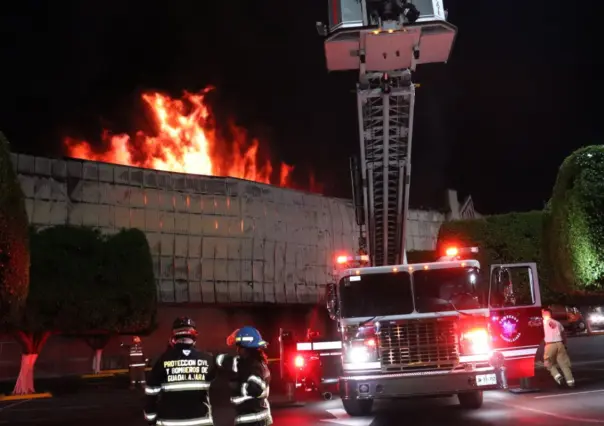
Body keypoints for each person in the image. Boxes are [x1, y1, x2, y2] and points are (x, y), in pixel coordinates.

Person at [143, 317, 216, 426]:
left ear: (174, 337)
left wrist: (150, 419)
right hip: (201, 422)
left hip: (169, 423)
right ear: (194, 336)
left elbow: (151, 392)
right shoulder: (208, 359)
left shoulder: (162, 360)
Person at [216, 326, 272, 426]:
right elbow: (222, 360)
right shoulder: (248, 363)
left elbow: (254, 388)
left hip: (253, 422)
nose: (237, 350)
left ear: (244, 348)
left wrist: (235, 386)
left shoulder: (254, 366)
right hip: (258, 420)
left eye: (238, 346)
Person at [542, 307, 575, 388]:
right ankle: (571, 383)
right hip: (560, 344)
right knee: (564, 364)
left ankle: (557, 376)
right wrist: (564, 344)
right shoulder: (557, 323)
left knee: (548, 363)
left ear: (544, 314)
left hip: (550, 345)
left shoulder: (542, 323)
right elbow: (564, 335)